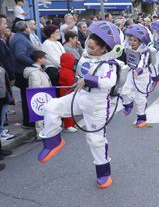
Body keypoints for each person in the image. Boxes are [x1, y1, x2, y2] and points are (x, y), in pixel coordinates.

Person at [38, 21, 122, 189]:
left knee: (95, 139)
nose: (89, 50)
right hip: (79, 97)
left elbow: (109, 82)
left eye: (93, 48)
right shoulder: (86, 56)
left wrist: (88, 80)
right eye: (88, 46)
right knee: (51, 106)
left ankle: (104, 173)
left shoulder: (109, 64)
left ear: (105, 49)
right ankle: (53, 141)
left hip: (97, 106)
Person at [121, 24, 152, 128]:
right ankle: (128, 104)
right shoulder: (127, 47)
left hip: (143, 76)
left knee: (140, 98)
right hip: (131, 72)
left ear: (140, 42)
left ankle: (141, 118)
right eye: (131, 40)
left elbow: (143, 62)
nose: (132, 42)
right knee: (124, 90)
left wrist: (138, 70)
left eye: (135, 40)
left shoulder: (145, 51)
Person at [9, 21, 35, 128]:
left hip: (22, 70)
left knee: (26, 96)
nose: (30, 28)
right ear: (25, 28)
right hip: (22, 71)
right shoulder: (20, 38)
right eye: (28, 26)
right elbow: (19, 55)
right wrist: (33, 63)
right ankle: (28, 121)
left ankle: (28, 120)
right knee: (26, 96)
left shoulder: (20, 37)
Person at [23, 50, 51, 137]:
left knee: (43, 114)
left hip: (43, 95)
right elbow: (36, 87)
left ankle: (43, 131)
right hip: (40, 97)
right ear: (39, 59)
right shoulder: (35, 72)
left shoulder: (40, 69)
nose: (45, 59)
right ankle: (40, 133)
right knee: (39, 115)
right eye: (44, 58)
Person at [0, 15, 16, 141]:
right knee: (3, 103)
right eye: (4, 23)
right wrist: (10, 75)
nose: (6, 26)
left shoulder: (2, 39)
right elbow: (4, 59)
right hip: (2, 77)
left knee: (4, 103)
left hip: (4, 76)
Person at [58, 53, 78, 133]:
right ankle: (68, 125)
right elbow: (71, 82)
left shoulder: (66, 69)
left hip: (68, 90)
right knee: (67, 108)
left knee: (72, 107)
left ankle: (72, 123)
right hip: (66, 90)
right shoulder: (66, 71)